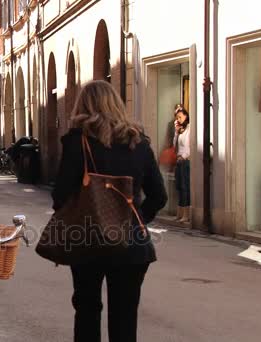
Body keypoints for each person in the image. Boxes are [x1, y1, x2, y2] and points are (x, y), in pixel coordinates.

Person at [51, 80, 167, 342]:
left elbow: (60, 196)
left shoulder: (77, 143)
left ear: (84, 106)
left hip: (86, 241)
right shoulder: (140, 143)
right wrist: (134, 220)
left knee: (87, 312)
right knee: (125, 319)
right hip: (132, 244)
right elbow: (159, 196)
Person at [173, 105, 191, 222]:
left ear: (186, 116)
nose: (178, 119)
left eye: (180, 117)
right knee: (179, 186)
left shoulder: (189, 129)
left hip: (186, 161)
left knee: (185, 187)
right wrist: (176, 132)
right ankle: (179, 213)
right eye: (177, 117)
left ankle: (186, 214)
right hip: (178, 161)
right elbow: (174, 145)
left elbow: (191, 146)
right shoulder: (180, 130)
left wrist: (183, 157)